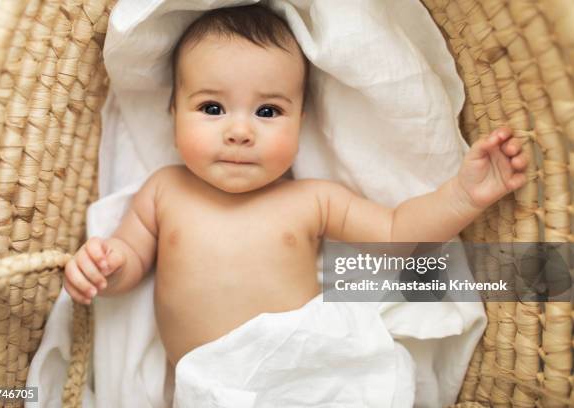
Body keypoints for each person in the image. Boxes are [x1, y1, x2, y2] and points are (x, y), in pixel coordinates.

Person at [64, 2, 527, 378]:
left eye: (268, 112)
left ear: (301, 121)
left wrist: (463, 197)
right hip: (207, 384)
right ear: (172, 113)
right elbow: (129, 262)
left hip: (301, 371)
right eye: (212, 107)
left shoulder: (311, 199)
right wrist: (105, 266)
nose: (240, 131)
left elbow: (396, 232)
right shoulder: (164, 191)